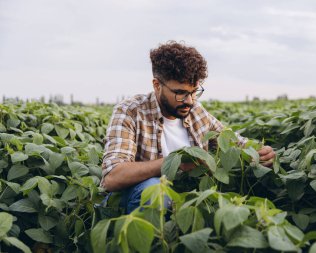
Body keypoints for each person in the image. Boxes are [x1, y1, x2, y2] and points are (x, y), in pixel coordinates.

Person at [101, 41, 276, 214]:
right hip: (135, 201)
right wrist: (176, 162)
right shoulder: (130, 111)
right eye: (180, 93)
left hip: (185, 204)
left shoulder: (196, 112)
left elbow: (234, 143)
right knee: (155, 190)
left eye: (193, 92)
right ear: (157, 85)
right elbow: (113, 176)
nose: (189, 101)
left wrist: (258, 151)